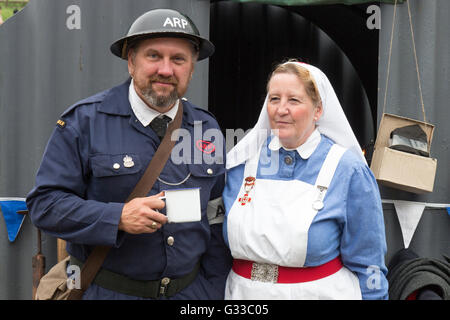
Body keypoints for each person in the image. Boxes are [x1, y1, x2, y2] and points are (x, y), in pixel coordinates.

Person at [27, 8, 231, 300]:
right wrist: (117, 217)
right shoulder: (84, 122)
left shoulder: (205, 127)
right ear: (131, 62)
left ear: (192, 67)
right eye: (153, 56)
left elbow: (215, 217)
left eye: (178, 59)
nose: (166, 69)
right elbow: (44, 205)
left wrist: (212, 290)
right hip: (107, 292)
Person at [223, 60, 388, 299]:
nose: (281, 109)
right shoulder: (240, 165)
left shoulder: (348, 171)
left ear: (318, 110)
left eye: (294, 100)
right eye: (274, 98)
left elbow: (369, 263)